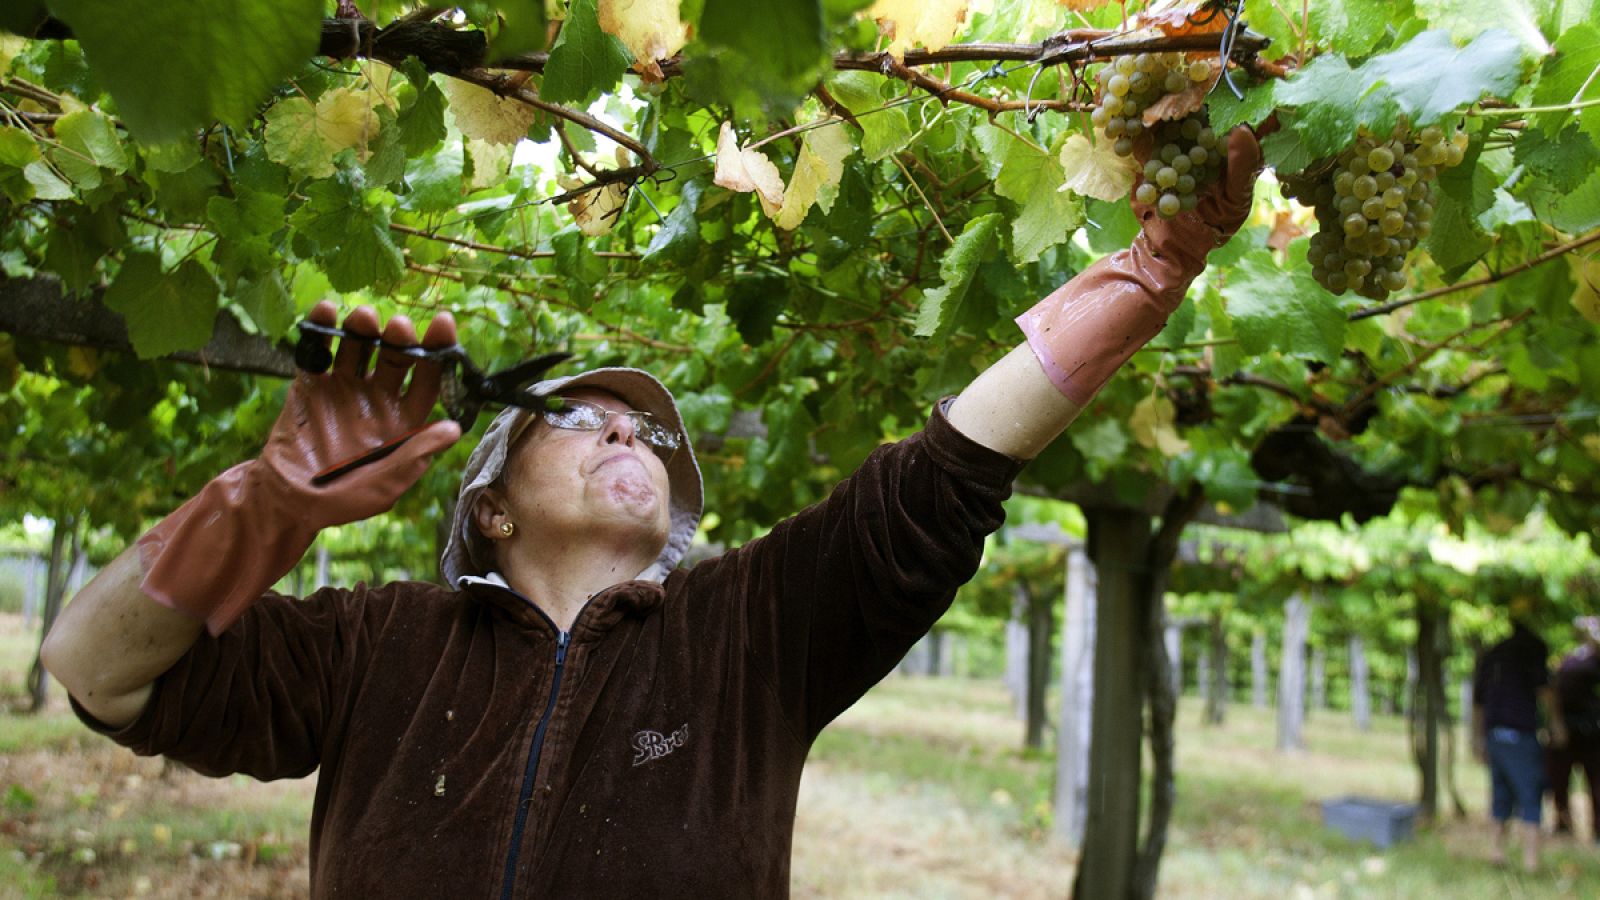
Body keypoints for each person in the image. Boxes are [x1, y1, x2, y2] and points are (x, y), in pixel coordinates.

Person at [40, 129, 1262, 897]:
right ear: (491, 513)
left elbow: (940, 474)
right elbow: (96, 673)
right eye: (581, 420)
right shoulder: (374, 645)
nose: (630, 429)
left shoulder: (752, 632)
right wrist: (260, 510)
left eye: (649, 433)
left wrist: (1147, 274)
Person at [1472, 590, 1567, 872]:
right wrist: (1558, 724)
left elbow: (1478, 700)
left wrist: (1477, 738)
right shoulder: (1533, 648)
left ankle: (1496, 852)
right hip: (1519, 733)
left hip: (1495, 733)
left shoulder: (1494, 652)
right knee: (1530, 793)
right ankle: (1530, 861)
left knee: (1501, 792)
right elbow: (1545, 690)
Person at [1549, 615, 1600, 840]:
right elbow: (1554, 694)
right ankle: (1563, 823)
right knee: (1560, 781)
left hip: (1593, 732)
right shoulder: (1569, 660)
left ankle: (1597, 828)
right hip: (1568, 730)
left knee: (1596, 782)